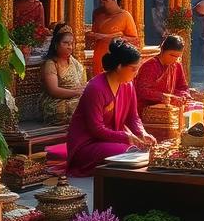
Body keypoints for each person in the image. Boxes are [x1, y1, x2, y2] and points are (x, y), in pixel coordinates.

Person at [67, 39, 156, 176]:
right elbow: (96, 129)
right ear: (119, 66)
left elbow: (133, 117)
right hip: (88, 144)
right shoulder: (95, 88)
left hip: (112, 140)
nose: (136, 74)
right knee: (128, 151)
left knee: (140, 151)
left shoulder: (128, 85)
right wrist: (125, 136)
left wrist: (142, 133)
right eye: (133, 69)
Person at [41, 23, 87, 124]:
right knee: (83, 106)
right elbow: (53, 90)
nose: (70, 47)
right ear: (56, 44)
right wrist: (76, 92)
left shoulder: (74, 62)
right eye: (65, 43)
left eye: (71, 43)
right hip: (57, 102)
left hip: (75, 97)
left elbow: (82, 84)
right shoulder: (51, 63)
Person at [87, 0, 138, 76]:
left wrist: (113, 37)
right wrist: (92, 36)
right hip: (99, 58)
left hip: (116, 60)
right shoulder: (98, 14)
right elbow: (93, 35)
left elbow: (134, 39)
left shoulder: (125, 16)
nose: (101, 1)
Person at [135, 34, 193, 113]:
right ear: (162, 50)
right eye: (172, 55)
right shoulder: (150, 66)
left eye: (178, 56)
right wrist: (162, 96)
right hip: (148, 111)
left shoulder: (177, 65)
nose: (175, 59)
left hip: (169, 109)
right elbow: (141, 90)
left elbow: (182, 86)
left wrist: (185, 95)